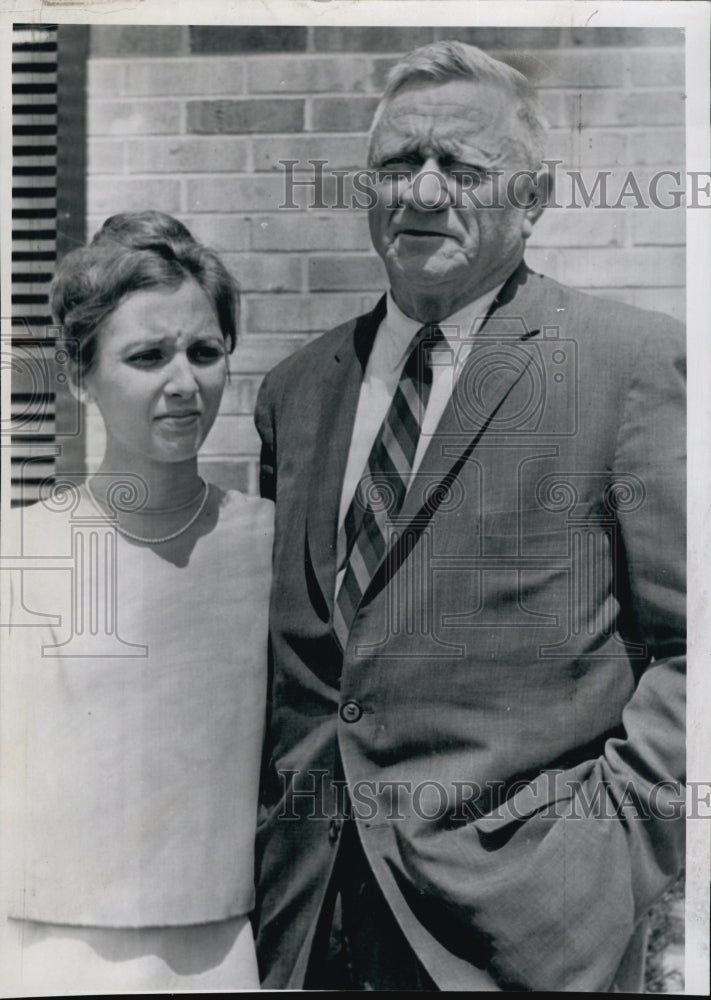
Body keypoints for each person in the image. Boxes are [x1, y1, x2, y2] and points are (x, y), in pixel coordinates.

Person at [253, 41, 685, 992]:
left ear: (531, 200)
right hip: (310, 915)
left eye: (463, 167)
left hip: (517, 927)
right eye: (399, 164)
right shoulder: (297, 392)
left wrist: (594, 867)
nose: (422, 191)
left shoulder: (628, 367)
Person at [0, 211, 273, 993]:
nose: (182, 382)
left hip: (219, 954)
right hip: (41, 954)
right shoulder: (18, 552)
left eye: (204, 351)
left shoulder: (274, 546)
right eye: (147, 356)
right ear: (80, 374)